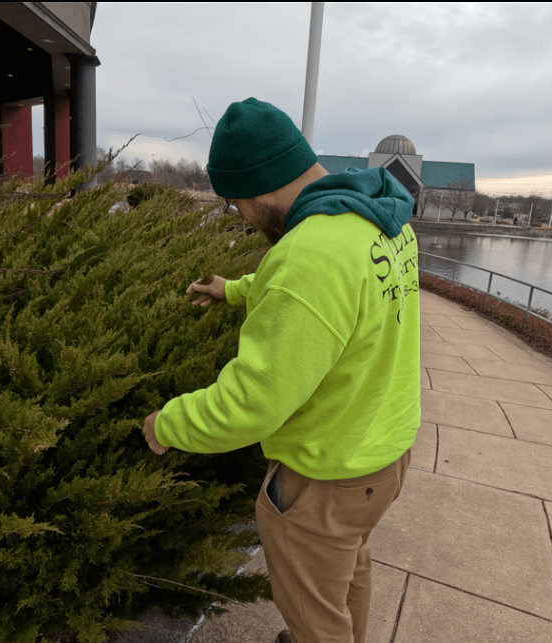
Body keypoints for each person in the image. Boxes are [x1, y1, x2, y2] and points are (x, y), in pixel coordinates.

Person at [141, 98, 421, 643]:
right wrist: (236, 289)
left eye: (235, 206)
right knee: (348, 568)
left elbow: (253, 403)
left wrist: (167, 424)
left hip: (328, 474)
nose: (243, 221)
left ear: (257, 188)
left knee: (316, 617)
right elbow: (332, 296)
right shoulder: (378, 217)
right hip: (385, 453)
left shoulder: (310, 252)